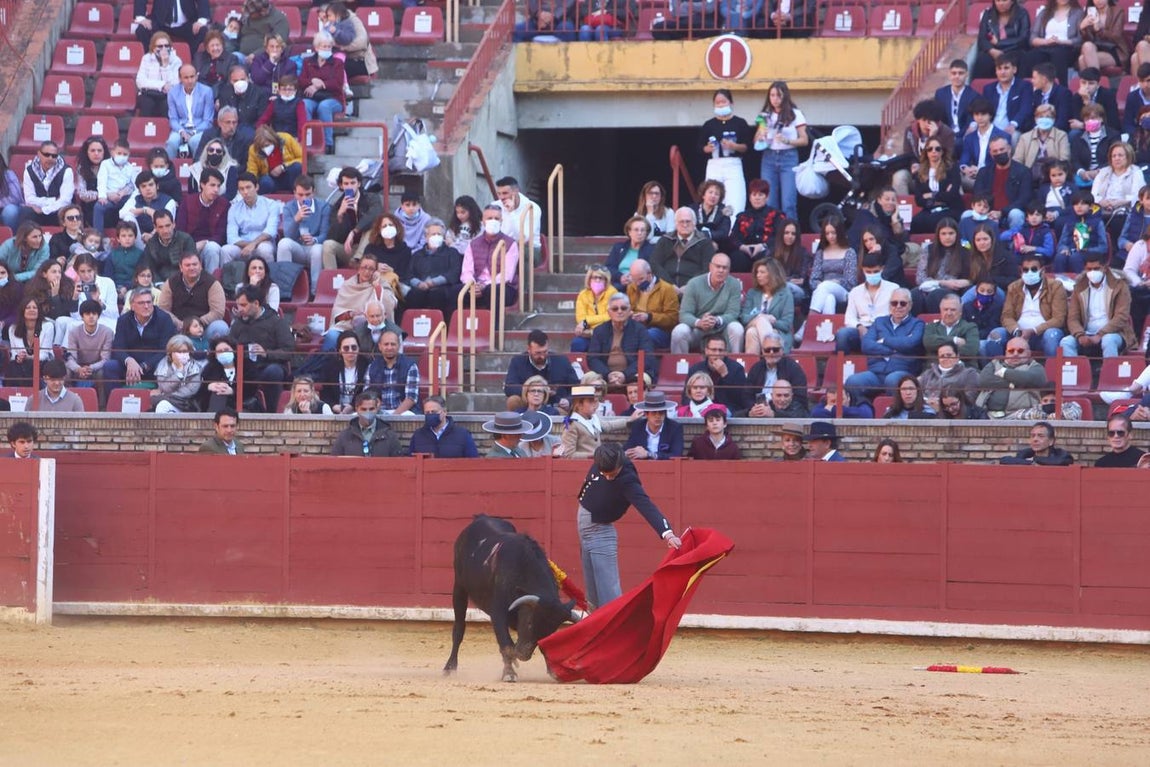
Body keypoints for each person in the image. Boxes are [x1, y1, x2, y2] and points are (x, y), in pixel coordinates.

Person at [575, 443, 681, 610]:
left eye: (612, 474)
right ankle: (607, 627)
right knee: (604, 591)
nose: (609, 478)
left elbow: (645, 505)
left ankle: (599, 626)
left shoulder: (625, 478)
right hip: (594, 524)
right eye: (605, 474)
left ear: (620, 464)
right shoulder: (605, 457)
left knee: (598, 589)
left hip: (590, 520)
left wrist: (667, 533)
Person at [845, 288, 925, 401]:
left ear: (910, 305)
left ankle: (894, 413)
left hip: (902, 372)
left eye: (903, 303)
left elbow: (910, 343)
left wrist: (884, 340)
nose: (898, 306)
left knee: (892, 380)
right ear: (889, 305)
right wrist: (894, 349)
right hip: (876, 372)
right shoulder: (879, 322)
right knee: (853, 382)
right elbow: (866, 345)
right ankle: (866, 410)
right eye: (894, 303)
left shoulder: (917, 324)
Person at [989, 252, 1068, 358]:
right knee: (996, 334)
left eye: (1034, 269)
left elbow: (1059, 319)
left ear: (1042, 271)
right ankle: (997, 372)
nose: (1029, 272)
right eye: (1026, 270)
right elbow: (1006, 316)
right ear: (1021, 271)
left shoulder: (1055, 287)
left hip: (1042, 334)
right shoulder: (1013, 287)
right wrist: (1016, 331)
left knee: (1051, 335)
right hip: (1017, 334)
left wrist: (1033, 331)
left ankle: (1051, 373)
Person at [229, 284, 295, 409]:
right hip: (243, 366)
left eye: (243, 305)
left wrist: (267, 353)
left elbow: (289, 350)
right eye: (238, 305)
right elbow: (230, 344)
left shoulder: (276, 322)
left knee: (273, 372)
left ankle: (271, 414)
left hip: (267, 366)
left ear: (256, 304)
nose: (239, 309)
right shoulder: (238, 323)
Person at [1060, 252, 1136, 358]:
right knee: (1066, 342)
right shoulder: (1079, 287)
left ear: (1104, 268)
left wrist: (1101, 334)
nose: (1092, 272)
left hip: (1115, 333)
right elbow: (1073, 318)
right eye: (1089, 269)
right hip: (1086, 333)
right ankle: (1075, 373)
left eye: (1096, 269)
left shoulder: (1120, 286)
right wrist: (1080, 335)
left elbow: (1121, 317)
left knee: (1108, 340)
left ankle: (1110, 373)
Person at [754, 81, 807, 222]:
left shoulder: (795, 114)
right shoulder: (765, 115)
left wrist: (788, 141)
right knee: (769, 201)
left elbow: (804, 140)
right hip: (769, 157)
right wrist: (761, 135)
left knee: (788, 202)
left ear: (785, 96)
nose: (775, 99)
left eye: (778, 95)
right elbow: (755, 143)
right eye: (772, 95)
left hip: (788, 156)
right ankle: (771, 237)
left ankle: (791, 237)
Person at [671, 252, 743, 354]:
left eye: (725, 268)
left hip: (721, 328)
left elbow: (733, 313)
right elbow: (684, 314)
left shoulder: (734, 284)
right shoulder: (694, 283)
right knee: (679, 331)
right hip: (698, 328)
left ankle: (735, 366)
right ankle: (679, 368)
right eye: (718, 267)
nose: (721, 270)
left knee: (737, 328)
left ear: (729, 270)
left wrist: (717, 320)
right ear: (710, 267)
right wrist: (699, 322)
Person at [107, 287, 177, 386]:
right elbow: (118, 348)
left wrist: (144, 366)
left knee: (165, 367)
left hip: (153, 365)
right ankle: (114, 399)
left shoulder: (164, 319)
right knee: (109, 366)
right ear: (132, 306)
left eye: (149, 302)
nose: (146, 306)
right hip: (130, 366)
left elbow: (165, 350)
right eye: (141, 303)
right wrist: (129, 361)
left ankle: (158, 398)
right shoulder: (123, 320)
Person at [587, 293, 657, 389]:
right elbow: (592, 358)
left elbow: (647, 358)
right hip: (606, 375)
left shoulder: (640, 330)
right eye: (615, 309)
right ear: (608, 312)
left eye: (623, 308)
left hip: (633, 373)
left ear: (629, 311)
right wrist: (608, 374)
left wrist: (625, 374)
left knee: (639, 380)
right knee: (588, 378)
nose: (619, 311)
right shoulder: (599, 330)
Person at [157, 251, 228, 342]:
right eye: (187, 265)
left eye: (194, 264)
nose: (191, 268)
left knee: (220, 327)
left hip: (204, 327)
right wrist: (179, 324)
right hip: (178, 328)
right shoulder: (171, 283)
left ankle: (210, 354)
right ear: (181, 267)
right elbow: (164, 309)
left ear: (201, 265)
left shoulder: (212, 283)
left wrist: (196, 324)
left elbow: (218, 312)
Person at [700, 89, 750, 217]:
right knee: (712, 197)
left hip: (733, 163)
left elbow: (747, 146)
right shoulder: (708, 125)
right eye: (717, 103)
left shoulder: (740, 123)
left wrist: (734, 146)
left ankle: (734, 230)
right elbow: (699, 147)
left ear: (731, 103)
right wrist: (708, 148)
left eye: (723, 101)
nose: (721, 105)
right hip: (714, 163)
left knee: (735, 200)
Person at [836, 251, 898, 354]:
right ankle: (842, 365)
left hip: (884, 329)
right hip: (862, 328)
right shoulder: (855, 291)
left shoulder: (894, 289)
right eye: (868, 272)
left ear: (882, 269)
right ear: (863, 270)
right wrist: (859, 327)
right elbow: (849, 318)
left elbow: (896, 315)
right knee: (842, 334)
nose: (872, 274)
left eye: (875, 271)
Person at [461, 204, 520, 311]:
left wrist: (485, 286)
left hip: (502, 286)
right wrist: (472, 285)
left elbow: (507, 274)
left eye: (496, 219)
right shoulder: (473, 244)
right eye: (489, 218)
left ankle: (495, 327)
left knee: (493, 291)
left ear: (501, 221)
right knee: (457, 292)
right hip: (476, 285)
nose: (493, 221)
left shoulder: (510, 244)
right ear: (483, 221)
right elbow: (466, 271)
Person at [503, 328, 580, 407]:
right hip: (527, 406)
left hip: (556, 405)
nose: (542, 356)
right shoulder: (518, 361)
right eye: (538, 353)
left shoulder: (561, 361)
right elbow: (509, 388)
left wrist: (568, 400)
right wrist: (532, 390)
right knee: (513, 401)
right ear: (529, 349)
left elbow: (577, 387)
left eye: (545, 351)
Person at [405, 218, 464, 318]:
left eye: (439, 234)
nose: (436, 236)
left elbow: (454, 272)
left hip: (443, 289)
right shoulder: (417, 255)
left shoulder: (452, 253)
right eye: (433, 234)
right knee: (414, 295)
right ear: (426, 237)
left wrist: (433, 282)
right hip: (420, 288)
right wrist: (419, 283)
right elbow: (409, 274)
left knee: (437, 294)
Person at [977, 336, 1048, 417]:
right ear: (1006, 353)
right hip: (988, 414)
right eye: (1011, 351)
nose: (1015, 354)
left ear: (1029, 353)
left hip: (1022, 415)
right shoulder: (995, 363)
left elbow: (1030, 379)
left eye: (1020, 351)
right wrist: (1012, 384)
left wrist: (1004, 373)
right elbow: (983, 380)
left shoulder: (1034, 366)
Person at [300, 31, 347, 154]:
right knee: (304, 104)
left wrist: (321, 85)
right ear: (316, 47)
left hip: (333, 98)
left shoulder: (337, 63)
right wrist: (312, 81)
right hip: (313, 98)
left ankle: (327, 144)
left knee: (324, 106)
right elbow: (301, 81)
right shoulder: (308, 62)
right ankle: (309, 141)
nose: (327, 49)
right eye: (323, 46)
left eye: (329, 46)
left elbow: (337, 83)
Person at [973, 136, 1032, 231]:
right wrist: (986, 211)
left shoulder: (1023, 172)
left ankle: (1015, 244)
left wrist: (1001, 212)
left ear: (1009, 149)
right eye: (995, 151)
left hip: (1010, 212)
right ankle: (967, 245)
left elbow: (1024, 199)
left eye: (1002, 149)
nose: (999, 153)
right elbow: (977, 195)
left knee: (1016, 214)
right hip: (987, 212)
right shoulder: (983, 172)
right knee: (966, 215)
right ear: (991, 154)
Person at [649, 207, 716, 291]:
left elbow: (708, 267)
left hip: (695, 289)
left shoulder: (704, 242)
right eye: (681, 221)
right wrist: (669, 285)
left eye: (688, 221)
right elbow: (655, 264)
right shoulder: (665, 240)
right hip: (666, 288)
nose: (685, 225)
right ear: (676, 224)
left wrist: (690, 286)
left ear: (694, 223)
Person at [176, 167, 228, 272]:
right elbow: (180, 229)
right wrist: (191, 245)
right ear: (202, 185)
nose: (216, 190)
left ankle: (211, 284)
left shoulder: (224, 204)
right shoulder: (187, 201)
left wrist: (205, 242)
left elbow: (221, 234)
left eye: (218, 186)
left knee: (212, 248)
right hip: (188, 244)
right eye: (212, 185)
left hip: (209, 244)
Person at [1023, 0, 1084, 90]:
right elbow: (1032, 38)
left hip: (1067, 47)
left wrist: (1061, 41)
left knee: (1058, 54)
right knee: (1030, 56)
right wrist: (1046, 41)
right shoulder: (1044, 13)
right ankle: (1029, 90)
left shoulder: (1078, 13)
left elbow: (1080, 39)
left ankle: (1061, 91)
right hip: (1045, 46)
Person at [222, 172, 278, 266]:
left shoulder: (271, 205)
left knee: (264, 249)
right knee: (226, 250)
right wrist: (248, 245)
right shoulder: (234, 208)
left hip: (263, 243)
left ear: (256, 187)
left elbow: (271, 231)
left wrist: (254, 244)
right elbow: (231, 237)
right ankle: (229, 280)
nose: (245, 192)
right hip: (243, 246)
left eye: (248, 187)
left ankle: (269, 278)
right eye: (241, 189)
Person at [909, 136, 963, 234]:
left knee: (936, 221)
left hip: (951, 208)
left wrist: (931, 195)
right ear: (926, 152)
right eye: (930, 149)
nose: (934, 152)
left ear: (942, 152)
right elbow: (919, 200)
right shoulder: (920, 173)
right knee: (916, 222)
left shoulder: (952, 169)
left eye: (937, 149)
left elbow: (952, 195)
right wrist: (941, 196)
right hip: (930, 209)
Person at [729, 179, 783, 272]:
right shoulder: (742, 216)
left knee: (768, 257)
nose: (757, 198)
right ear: (749, 197)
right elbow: (733, 237)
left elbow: (779, 236)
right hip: (745, 251)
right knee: (737, 257)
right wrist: (743, 247)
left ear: (767, 197)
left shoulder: (776, 215)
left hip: (766, 250)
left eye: (760, 195)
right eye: (754, 195)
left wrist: (763, 246)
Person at [560, 384, 629, 458]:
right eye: (590, 402)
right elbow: (569, 455)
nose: (595, 405)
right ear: (579, 405)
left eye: (596, 401)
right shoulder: (572, 425)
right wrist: (594, 455)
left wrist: (629, 420)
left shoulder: (593, 419)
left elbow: (608, 425)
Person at [684, 335, 748, 414]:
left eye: (720, 350)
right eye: (713, 350)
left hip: (727, 409)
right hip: (700, 408)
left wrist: (725, 375)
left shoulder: (737, 369)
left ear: (725, 352)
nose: (717, 353)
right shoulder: (696, 369)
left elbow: (741, 399)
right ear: (706, 351)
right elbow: (686, 397)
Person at [624, 258, 679, 349]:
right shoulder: (631, 287)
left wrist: (649, 317)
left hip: (660, 331)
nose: (637, 283)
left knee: (644, 336)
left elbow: (673, 318)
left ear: (649, 274)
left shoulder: (667, 289)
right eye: (634, 279)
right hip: (637, 327)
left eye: (641, 279)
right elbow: (629, 308)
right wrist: (629, 314)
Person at [808, 215, 858, 315]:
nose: (830, 236)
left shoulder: (849, 252)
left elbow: (851, 282)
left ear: (839, 232)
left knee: (826, 285)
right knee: (828, 299)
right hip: (822, 289)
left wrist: (837, 282)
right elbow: (813, 280)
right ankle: (828, 329)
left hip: (843, 291)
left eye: (833, 233)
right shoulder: (821, 253)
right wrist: (821, 285)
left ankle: (810, 318)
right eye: (827, 233)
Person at [64, 299, 114, 396]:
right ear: (82, 316)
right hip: (78, 367)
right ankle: (67, 402)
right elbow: (70, 357)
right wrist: (78, 369)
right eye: (87, 314)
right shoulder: (74, 332)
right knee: (66, 371)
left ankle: (101, 407)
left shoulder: (107, 332)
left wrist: (90, 368)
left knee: (102, 373)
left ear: (98, 316)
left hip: (97, 367)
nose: (91, 316)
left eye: (94, 313)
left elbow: (105, 359)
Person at [331, 389, 401, 457]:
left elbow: (399, 464)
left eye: (371, 409)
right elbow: (334, 463)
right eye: (363, 409)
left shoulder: (390, 436)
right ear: (357, 409)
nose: (368, 412)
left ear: (377, 409)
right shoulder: (345, 436)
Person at [166, 65, 215, 160]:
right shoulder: (172, 93)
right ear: (180, 79)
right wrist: (182, 131)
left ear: (197, 76)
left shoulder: (206, 91)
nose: (190, 81)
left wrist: (193, 132)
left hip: (200, 128)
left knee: (195, 141)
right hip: (181, 128)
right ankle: (169, 169)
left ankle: (198, 170)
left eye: (192, 77)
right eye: (186, 77)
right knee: (172, 142)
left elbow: (208, 121)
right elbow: (173, 119)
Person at [365, 329, 419, 416]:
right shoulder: (372, 367)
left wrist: (394, 416)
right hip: (378, 411)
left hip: (403, 411)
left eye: (393, 344)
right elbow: (367, 395)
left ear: (398, 346)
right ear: (380, 346)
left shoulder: (410, 366)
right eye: (386, 344)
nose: (389, 347)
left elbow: (411, 398)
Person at [973, 0, 1031, 79]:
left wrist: (999, 43)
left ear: (1012, 1)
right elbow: (982, 38)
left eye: (1004, 0)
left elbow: (1023, 38)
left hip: (1015, 49)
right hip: (993, 50)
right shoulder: (988, 14)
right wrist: (991, 50)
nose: (1001, 3)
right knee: (983, 60)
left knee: (1023, 59)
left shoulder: (1022, 14)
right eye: (998, 1)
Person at [22, 142, 75, 227]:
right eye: (46, 155)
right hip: (38, 210)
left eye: (54, 156)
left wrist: (44, 209)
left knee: (65, 211)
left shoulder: (66, 171)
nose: (50, 158)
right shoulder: (29, 171)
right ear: (39, 154)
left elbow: (65, 200)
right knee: (26, 211)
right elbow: (29, 199)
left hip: (57, 209)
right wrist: (53, 200)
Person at [6, 295, 56, 386]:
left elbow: (44, 354)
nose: (32, 310)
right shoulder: (13, 329)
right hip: (22, 365)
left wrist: (28, 357)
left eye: (34, 308)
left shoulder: (48, 326)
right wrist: (18, 357)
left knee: (34, 366)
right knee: (13, 367)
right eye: (28, 308)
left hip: (41, 363)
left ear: (39, 311)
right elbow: (14, 354)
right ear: (22, 311)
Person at [1053, 190, 1108, 273]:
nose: (1079, 207)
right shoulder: (1069, 222)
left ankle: (1081, 282)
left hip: (1090, 253)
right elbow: (1061, 243)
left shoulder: (1097, 222)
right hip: (1072, 250)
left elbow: (1103, 247)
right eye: (1076, 204)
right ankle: (1060, 281)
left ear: (1091, 206)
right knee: (1060, 257)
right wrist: (1064, 249)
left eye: (1083, 204)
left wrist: (1088, 250)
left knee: (1075, 257)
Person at [317, 330, 369, 415]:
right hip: (335, 410)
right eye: (346, 348)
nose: (350, 351)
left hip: (359, 410)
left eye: (354, 347)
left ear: (359, 348)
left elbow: (366, 392)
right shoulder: (330, 366)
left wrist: (352, 406)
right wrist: (333, 406)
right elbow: (325, 393)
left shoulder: (366, 364)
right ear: (340, 350)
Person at [409, 395, 478, 458]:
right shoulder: (418, 435)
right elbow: (410, 461)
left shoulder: (462, 435)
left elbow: (473, 462)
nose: (430, 415)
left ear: (444, 412)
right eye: (427, 413)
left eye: (434, 412)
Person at [119, 170, 177, 241]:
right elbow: (121, 214)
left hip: (161, 239)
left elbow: (167, 223)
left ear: (157, 186)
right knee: (128, 217)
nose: (148, 189)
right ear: (139, 190)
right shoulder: (135, 199)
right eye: (143, 186)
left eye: (151, 185)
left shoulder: (169, 201)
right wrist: (145, 210)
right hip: (140, 239)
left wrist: (152, 235)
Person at [919, 341, 979, 410]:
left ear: (957, 356)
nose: (945, 358)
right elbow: (917, 395)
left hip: (952, 412)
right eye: (942, 356)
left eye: (949, 355)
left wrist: (942, 405)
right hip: (926, 410)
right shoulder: (928, 374)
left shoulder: (969, 373)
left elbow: (970, 398)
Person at [571, 265, 617, 354]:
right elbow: (580, 318)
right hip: (588, 334)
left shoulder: (612, 293)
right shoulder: (583, 295)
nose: (597, 280)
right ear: (589, 279)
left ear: (606, 280)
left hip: (607, 333)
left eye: (601, 278)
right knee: (577, 343)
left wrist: (587, 322)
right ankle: (576, 367)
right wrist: (585, 323)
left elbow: (610, 316)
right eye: (594, 277)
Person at [139, 210, 195, 283]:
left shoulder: (186, 240)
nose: (165, 230)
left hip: (184, 281)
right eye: (161, 227)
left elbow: (192, 265)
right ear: (155, 228)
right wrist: (159, 284)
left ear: (174, 224)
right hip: (161, 284)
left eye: (168, 225)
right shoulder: (151, 244)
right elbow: (150, 268)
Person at [623, 391, 682, 460]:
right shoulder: (638, 426)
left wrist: (649, 454)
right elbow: (628, 448)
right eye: (654, 413)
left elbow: (676, 455)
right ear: (646, 414)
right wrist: (627, 453)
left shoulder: (674, 428)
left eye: (661, 412)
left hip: (666, 468)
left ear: (665, 413)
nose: (658, 416)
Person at [152, 333, 203, 413]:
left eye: (185, 351)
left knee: (163, 404)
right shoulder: (163, 365)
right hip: (168, 402)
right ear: (170, 353)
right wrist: (179, 371)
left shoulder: (195, 367)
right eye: (178, 351)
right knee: (163, 406)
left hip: (187, 404)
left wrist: (165, 397)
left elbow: (190, 391)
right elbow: (165, 388)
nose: (182, 354)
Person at [923, 293, 981, 361]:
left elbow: (971, 350)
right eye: (945, 309)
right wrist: (954, 340)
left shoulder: (970, 327)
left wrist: (939, 348)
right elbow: (928, 343)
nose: (949, 313)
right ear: (940, 310)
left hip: (963, 369)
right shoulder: (931, 326)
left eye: (953, 310)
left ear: (960, 311)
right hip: (934, 369)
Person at [247, 126, 302, 195]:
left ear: (273, 140)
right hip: (271, 180)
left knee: (297, 167)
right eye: (262, 147)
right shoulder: (253, 150)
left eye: (267, 145)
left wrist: (283, 167)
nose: (265, 148)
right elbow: (252, 172)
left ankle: (297, 194)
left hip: (288, 176)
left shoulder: (287, 139)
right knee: (265, 181)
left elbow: (302, 158)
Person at [493, 176, 543, 252]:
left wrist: (512, 213)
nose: (501, 197)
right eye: (499, 194)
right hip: (504, 247)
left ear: (516, 191)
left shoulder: (532, 208)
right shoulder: (495, 206)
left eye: (505, 193)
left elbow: (524, 238)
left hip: (528, 250)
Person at [605, 216, 654, 291]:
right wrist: (620, 277)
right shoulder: (618, 248)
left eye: (643, 230)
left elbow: (653, 271)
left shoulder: (652, 250)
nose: (639, 233)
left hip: (641, 288)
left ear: (646, 233)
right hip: (618, 285)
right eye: (636, 230)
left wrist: (635, 278)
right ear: (629, 232)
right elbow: (609, 267)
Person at [1000, 421, 1075, 465]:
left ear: (1051, 441)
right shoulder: (1025, 455)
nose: (1035, 439)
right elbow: (1004, 460)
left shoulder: (1061, 455)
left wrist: (1037, 460)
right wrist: (1031, 463)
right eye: (1033, 436)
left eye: (1040, 436)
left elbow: (1064, 461)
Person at [935, 59, 978, 136]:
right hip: (945, 134)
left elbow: (972, 118)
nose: (957, 76)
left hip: (965, 134)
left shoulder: (973, 95)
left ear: (967, 74)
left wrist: (970, 129)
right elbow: (938, 116)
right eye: (954, 73)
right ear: (949, 74)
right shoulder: (940, 93)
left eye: (961, 73)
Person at [693, 179, 732, 254]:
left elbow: (723, 233)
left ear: (719, 198)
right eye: (710, 192)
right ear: (703, 195)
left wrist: (706, 236)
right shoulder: (692, 209)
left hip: (717, 247)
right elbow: (689, 229)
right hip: (695, 243)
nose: (713, 196)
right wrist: (707, 241)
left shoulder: (724, 212)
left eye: (716, 194)